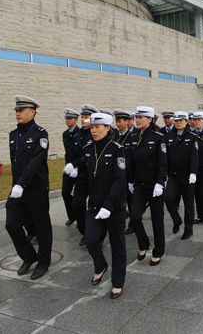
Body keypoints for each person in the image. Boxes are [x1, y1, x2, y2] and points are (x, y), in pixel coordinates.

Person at [5, 95, 52, 280]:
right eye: (16, 110)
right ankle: (28, 256)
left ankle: (43, 262)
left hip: (35, 188)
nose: (18, 113)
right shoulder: (13, 135)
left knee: (41, 227)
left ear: (32, 112)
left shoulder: (41, 134)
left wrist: (22, 183)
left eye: (21, 110)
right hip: (17, 188)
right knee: (12, 225)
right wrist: (17, 185)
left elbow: (35, 161)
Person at [82, 113, 127, 299]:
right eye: (92, 127)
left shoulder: (117, 149)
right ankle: (100, 264)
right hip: (94, 205)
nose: (93, 130)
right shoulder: (87, 148)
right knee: (91, 241)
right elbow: (86, 177)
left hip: (113, 206)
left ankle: (118, 281)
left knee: (117, 245)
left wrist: (108, 205)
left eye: (98, 126)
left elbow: (119, 179)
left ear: (108, 128)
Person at [127, 106, 167, 266]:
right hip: (139, 185)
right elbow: (131, 161)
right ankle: (143, 244)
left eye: (141, 117)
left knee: (157, 220)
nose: (137, 120)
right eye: (136, 117)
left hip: (155, 185)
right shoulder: (133, 137)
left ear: (150, 119)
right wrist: (130, 180)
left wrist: (160, 182)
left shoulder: (158, 137)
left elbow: (163, 164)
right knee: (135, 217)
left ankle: (158, 251)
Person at [164, 111, 199, 240]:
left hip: (187, 175)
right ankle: (176, 219)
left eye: (181, 120)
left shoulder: (192, 136)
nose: (178, 123)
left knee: (189, 203)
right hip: (173, 175)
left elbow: (194, 156)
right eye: (176, 121)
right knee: (168, 198)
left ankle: (188, 229)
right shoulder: (169, 136)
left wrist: (193, 173)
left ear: (186, 121)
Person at [69, 104, 99, 246]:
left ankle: (96, 233)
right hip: (81, 177)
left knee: (94, 207)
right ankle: (85, 231)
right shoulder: (78, 134)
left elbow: (89, 155)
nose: (83, 120)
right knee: (77, 205)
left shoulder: (95, 134)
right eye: (83, 117)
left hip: (93, 176)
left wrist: (75, 164)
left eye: (86, 117)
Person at [62, 108, 81, 226]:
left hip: (78, 167)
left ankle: (80, 218)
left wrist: (77, 167)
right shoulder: (65, 134)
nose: (68, 121)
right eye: (66, 119)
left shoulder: (81, 133)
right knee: (65, 192)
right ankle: (72, 215)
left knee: (79, 198)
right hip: (68, 167)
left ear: (76, 119)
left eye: (70, 118)